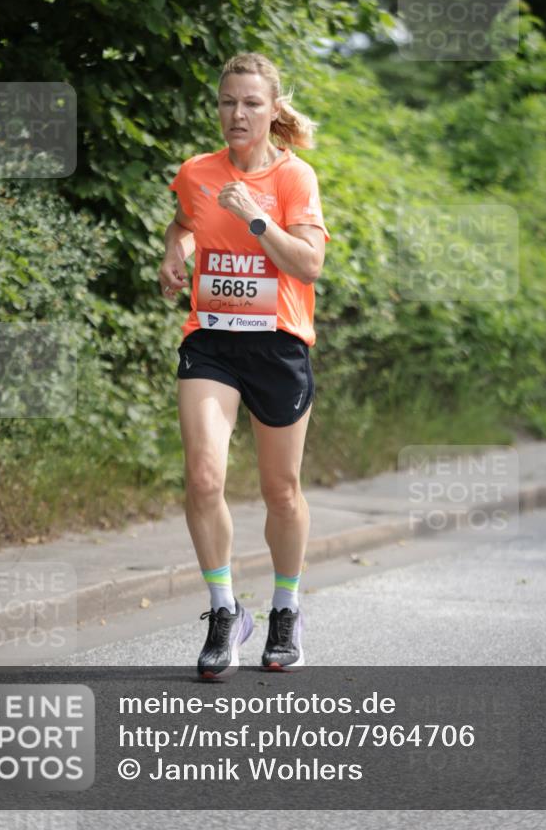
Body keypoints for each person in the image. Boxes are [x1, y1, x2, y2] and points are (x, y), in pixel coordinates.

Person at [159, 52, 330, 679]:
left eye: (251, 103)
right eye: (229, 101)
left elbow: (308, 266)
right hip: (212, 342)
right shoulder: (196, 172)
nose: (238, 113)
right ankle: (225, 611)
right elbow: (182, 224)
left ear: (272, 109)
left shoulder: (294, 179)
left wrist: (255, 217)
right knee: (204, 477)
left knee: (280, 491)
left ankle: (285, 609)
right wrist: (173, 256)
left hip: (279, 345)